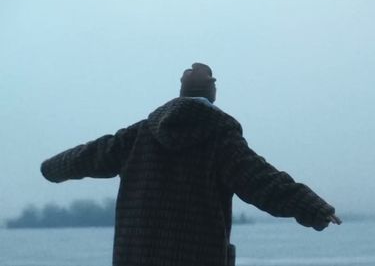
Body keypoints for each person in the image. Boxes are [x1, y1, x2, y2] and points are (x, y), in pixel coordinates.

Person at [41, 63, 340, 266]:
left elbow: (89, 155)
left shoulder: (138, 135)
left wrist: (52, 168)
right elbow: (264, 183)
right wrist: (312, 207)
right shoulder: (221, 141)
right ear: (212, 93)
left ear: (181, 92)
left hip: (135, 255)